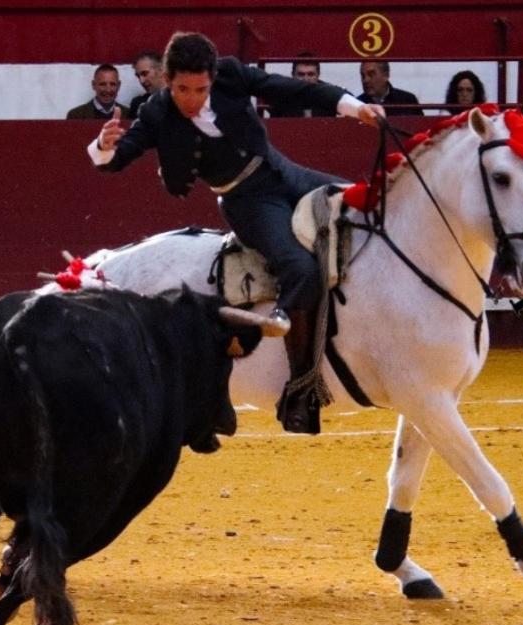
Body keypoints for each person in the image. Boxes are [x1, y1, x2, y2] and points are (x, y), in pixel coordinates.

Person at [87, 32, 384, 434]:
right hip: (247, 201)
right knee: (300, 268)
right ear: (166, 80)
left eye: (200, 89)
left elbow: (289, 89)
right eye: (181, 89)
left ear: (213, 77)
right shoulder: (157, 112)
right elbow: (120, 157)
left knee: (367, 208)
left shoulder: (229, 74)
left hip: (283, 172)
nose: (191, 98)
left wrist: (354, 107)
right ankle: (300, 392)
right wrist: (102, 148)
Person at [268, 52, 337, 118]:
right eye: (301, 74)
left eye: (310, 74)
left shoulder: (330, 96)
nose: (306, 79)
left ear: (318, 75)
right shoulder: (281, 98)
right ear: (293, 75)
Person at [356, 60, 423, 116]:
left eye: (371, 74)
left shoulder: (408, 100)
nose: (365, 80)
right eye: (363, 75)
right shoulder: (357, 104)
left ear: (386, 75)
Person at [128, 51, 167, 119]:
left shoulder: (180, 100)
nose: (141, 81)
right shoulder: (137, 104)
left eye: (145, 74)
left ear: (161, 70)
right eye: (138, 76)